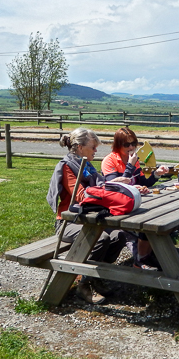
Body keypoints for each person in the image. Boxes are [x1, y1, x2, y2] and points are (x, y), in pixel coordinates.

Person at [46, 127, 131, 305]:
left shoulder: (86, 164)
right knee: (101, 238)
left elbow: (101, 184)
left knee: (119, 235)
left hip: (89, 219)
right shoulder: (68, 166)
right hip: (68, 222)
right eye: (92, 147)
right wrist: (107, 189)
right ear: (79, 147)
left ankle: (95, 276)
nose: (95, 150)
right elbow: (81, 196)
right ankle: (83, 284)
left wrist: (115, 182)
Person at [101, 127, 171, 269]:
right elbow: (117, 188)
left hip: (134, 204)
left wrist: (156, 174)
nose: (131, 147)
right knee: (148, 226)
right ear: (117, 145)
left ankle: (145, 257)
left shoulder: (133, 160)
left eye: (134, 143)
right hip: (116, 208)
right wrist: (130, 166)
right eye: (126, 144)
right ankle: (141, 260)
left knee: (162, 219)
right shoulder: (110, 161)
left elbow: (142, 183)